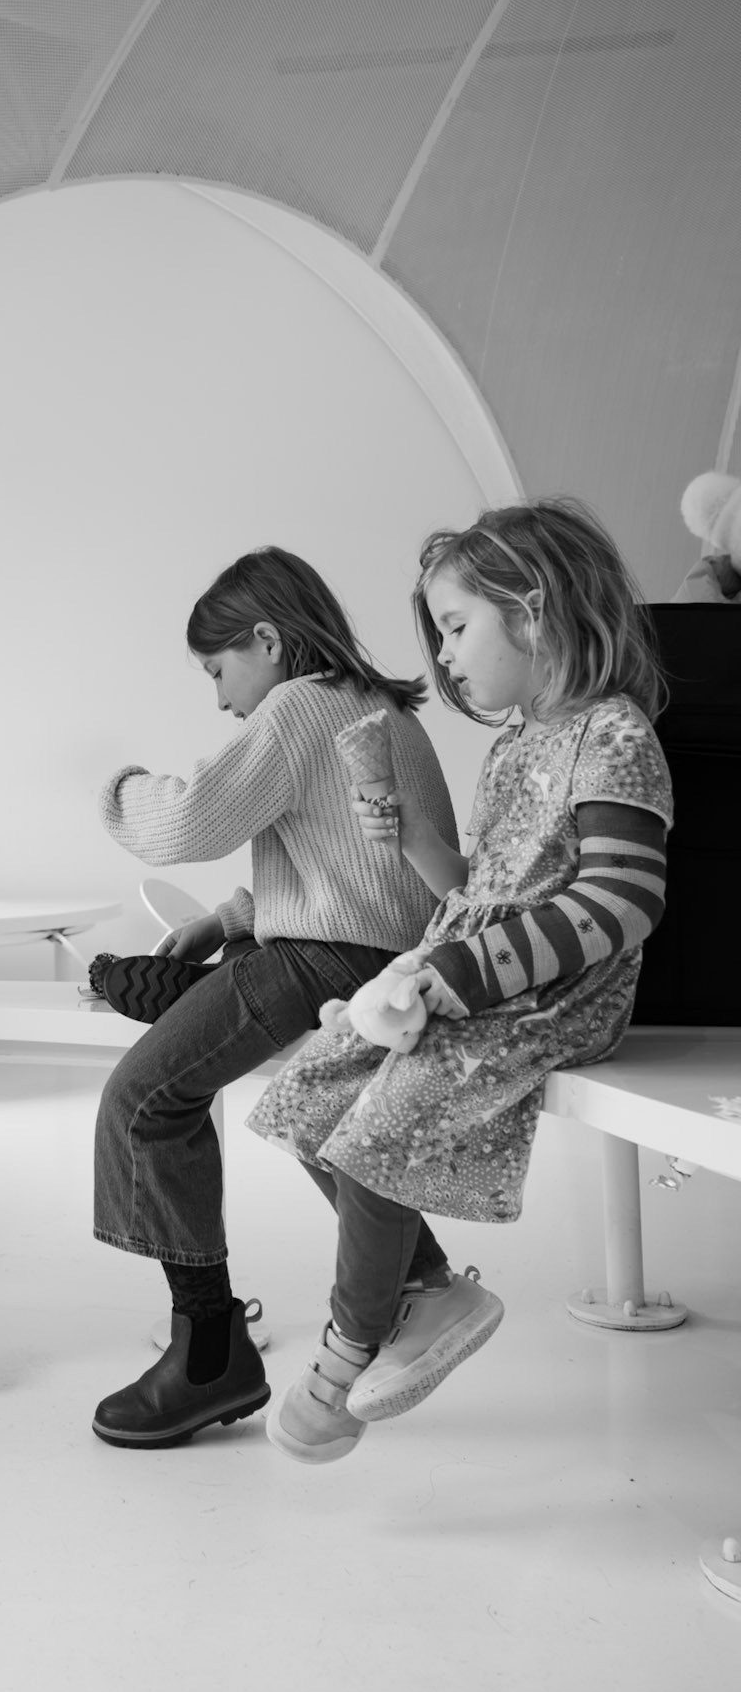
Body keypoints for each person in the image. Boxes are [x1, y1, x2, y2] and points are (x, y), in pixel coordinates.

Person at [248, 500, 671, 1462]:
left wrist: (463, 972)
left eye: (455, 626)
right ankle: (429, 1289)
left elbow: (621, 902)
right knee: (309, 1088)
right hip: (477, 974)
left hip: (561, 993)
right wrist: (412, 842)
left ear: (535, 609)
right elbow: (477, 889)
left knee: (381, 1118)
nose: (443, 656)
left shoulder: (612, 735)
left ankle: (346, 1350)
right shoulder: (516, 744)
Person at [91, 546, 458, 1448]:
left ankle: (208, 1351)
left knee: (143, 1100)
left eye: (217, 671)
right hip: (377, 961)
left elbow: (190, 821)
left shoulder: (300, 704)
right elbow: (356, 873)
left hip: (320, 963)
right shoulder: (379, 710)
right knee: (317, 1119)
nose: (221, 700)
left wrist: (113, 788)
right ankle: (424, 1285)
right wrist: (228, 919)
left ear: (267, 639)